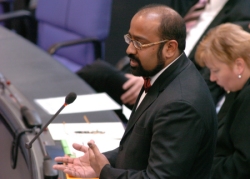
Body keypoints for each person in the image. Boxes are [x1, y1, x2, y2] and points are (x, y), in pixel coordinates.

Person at [53, 4, 217, 178]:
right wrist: (100, 160)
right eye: (130, 39)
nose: (129, 49)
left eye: (139, 43)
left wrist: (105, 172)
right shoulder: (159, 74)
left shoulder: (180, 105)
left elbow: (159, 177)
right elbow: (139, 148)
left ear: (170, 48)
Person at [77, 0, 250, 112]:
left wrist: (155, 81)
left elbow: (210, 74)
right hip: (150, 69)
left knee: (96, 72)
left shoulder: (241, 13)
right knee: (99, 76)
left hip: (175, 88)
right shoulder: (193, 3)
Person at [195, 23, 250, 178]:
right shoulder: (236, 89)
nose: (212, 78)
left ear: (239, 65)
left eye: (216, 70)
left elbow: (243, 165)